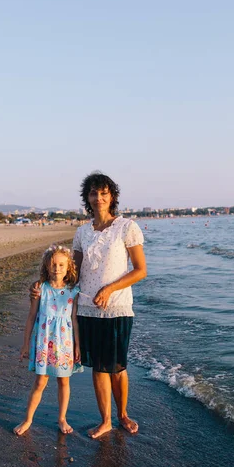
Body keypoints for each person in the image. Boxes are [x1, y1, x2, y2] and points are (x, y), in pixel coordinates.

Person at [73, 172, 147, 438]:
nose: (99, 197)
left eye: (104, 193)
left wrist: (109, 289)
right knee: (98, 367)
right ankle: (105, 420)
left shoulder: (127, 227)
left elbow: (140, 270)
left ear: (112, 196)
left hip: (117, 306)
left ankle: (123, 415)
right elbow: (75, 272)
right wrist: (45, 284)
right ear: (88, 198)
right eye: (94, 193)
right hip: (87, 308)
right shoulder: (82, 232)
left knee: (117, 366)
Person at [14, 245, 82, 436]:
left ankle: (62, 419)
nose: (57, 268)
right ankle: (28, 419)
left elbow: (74, 320)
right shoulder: (39, 288)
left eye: (61, 265)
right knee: (40, 381)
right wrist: (26, 344)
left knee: (64, 381)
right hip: (44, 342)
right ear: (46, 266)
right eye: (53, 264)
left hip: (65, 343)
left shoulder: (73, 291)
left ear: (68, 267)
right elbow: (31, 317)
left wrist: (78, 345)